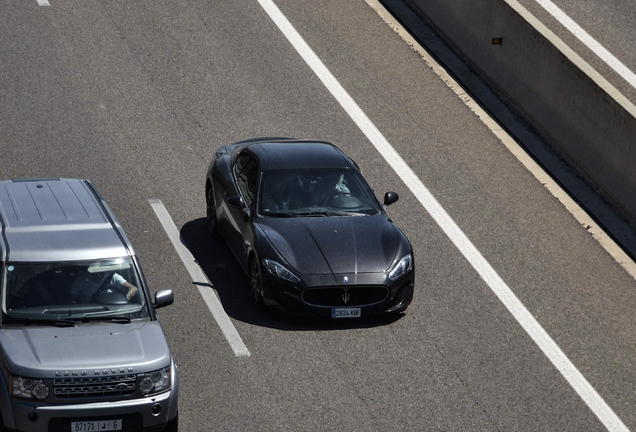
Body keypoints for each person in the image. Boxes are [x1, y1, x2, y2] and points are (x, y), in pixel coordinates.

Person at [67, 269, 138, 304]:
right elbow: (70, 300)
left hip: (114, 310)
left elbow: (133, 288)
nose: (97, 274)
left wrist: (128, 295)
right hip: (90, 313)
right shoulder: (81, 281)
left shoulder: (113, 277)